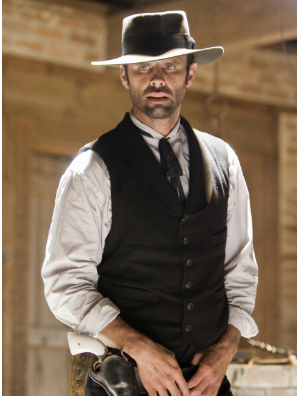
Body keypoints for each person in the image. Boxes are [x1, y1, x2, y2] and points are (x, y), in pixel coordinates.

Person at [41, 11, 258, 396]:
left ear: (190, 73)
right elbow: (65, 285)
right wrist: (139, 348)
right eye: (143, 68)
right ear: (124, 76)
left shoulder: (226, 162)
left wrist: (225, 349)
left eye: (171, 66)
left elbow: (240, 270)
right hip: (122, 382)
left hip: (207, 385)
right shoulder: (91, 169)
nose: (157, 79)